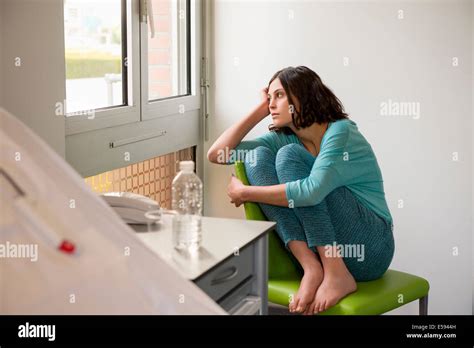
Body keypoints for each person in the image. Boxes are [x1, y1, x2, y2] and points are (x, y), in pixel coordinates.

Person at [207, 66, 394, 315]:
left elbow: (311, 192)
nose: (272, 104)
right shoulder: (286, 137)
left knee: (289, 157)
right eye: (269, 97)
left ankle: (336, 272)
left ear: (303, 96)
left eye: (279, 96)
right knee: (256, 156)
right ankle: (312, 267)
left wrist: (246, 193)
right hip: (323, 251)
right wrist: (260, 110)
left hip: (371, 247)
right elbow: (218, 154)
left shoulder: (340, 131)